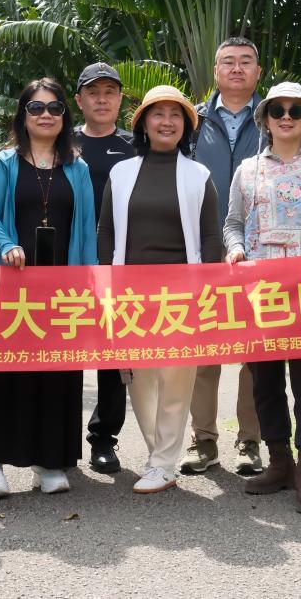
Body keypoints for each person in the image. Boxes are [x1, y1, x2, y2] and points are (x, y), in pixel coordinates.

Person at [225, 81, 301, 514]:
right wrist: (235, 248)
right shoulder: (246, 170)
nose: (286, 117)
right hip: (261, 293)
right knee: (265, 381)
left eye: (296, 110)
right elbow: (233, 223)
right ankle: (280, 463)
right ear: (265, 117)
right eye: (277, 109)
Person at [0, 79, 98, 499]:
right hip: (14, 288)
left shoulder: (78, 168)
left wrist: (89, 285)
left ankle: (50, 461)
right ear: (23, 115)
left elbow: (87, 229)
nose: (46, 114)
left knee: (56, 375)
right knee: (7, 375)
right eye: (36, 107)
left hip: (64, 293)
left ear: (65, 115)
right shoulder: (5, 162)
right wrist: (6, 244)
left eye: (55, 107)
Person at [98, 86, 223, 494]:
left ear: (186, 126)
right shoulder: (120, 173)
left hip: (182, 293)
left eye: (175, 115)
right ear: (143, 123)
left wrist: (208, 290)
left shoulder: (198, 176)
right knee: (139, 379)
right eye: (158, 114)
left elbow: (211, 237)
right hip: (130, 292)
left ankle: (163, 463)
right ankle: (159, 456)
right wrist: (107, 284)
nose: (166, 121)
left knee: (176, 377)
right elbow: (106, 231)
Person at [185, 34, 265, 476]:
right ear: (215, 71)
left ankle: (249, 442)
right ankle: (203, 441)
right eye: (228, 61)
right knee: (204, 349)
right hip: (203, 249)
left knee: (256, 351)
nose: (237, 68)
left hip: (261, 251)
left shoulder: (275, 116)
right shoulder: (192, 121)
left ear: (258, 71)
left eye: (245, 61)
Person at [72, 62, 135, 475]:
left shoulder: (134, 146)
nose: (101, 99)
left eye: (109, 92)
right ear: (79, 100)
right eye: (93, 92)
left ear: (120, 99)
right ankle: (60, 440)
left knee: (114, 356)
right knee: (65, 351)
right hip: (69, 262)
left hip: (119, 263)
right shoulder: (63, 142)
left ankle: (103, 439)